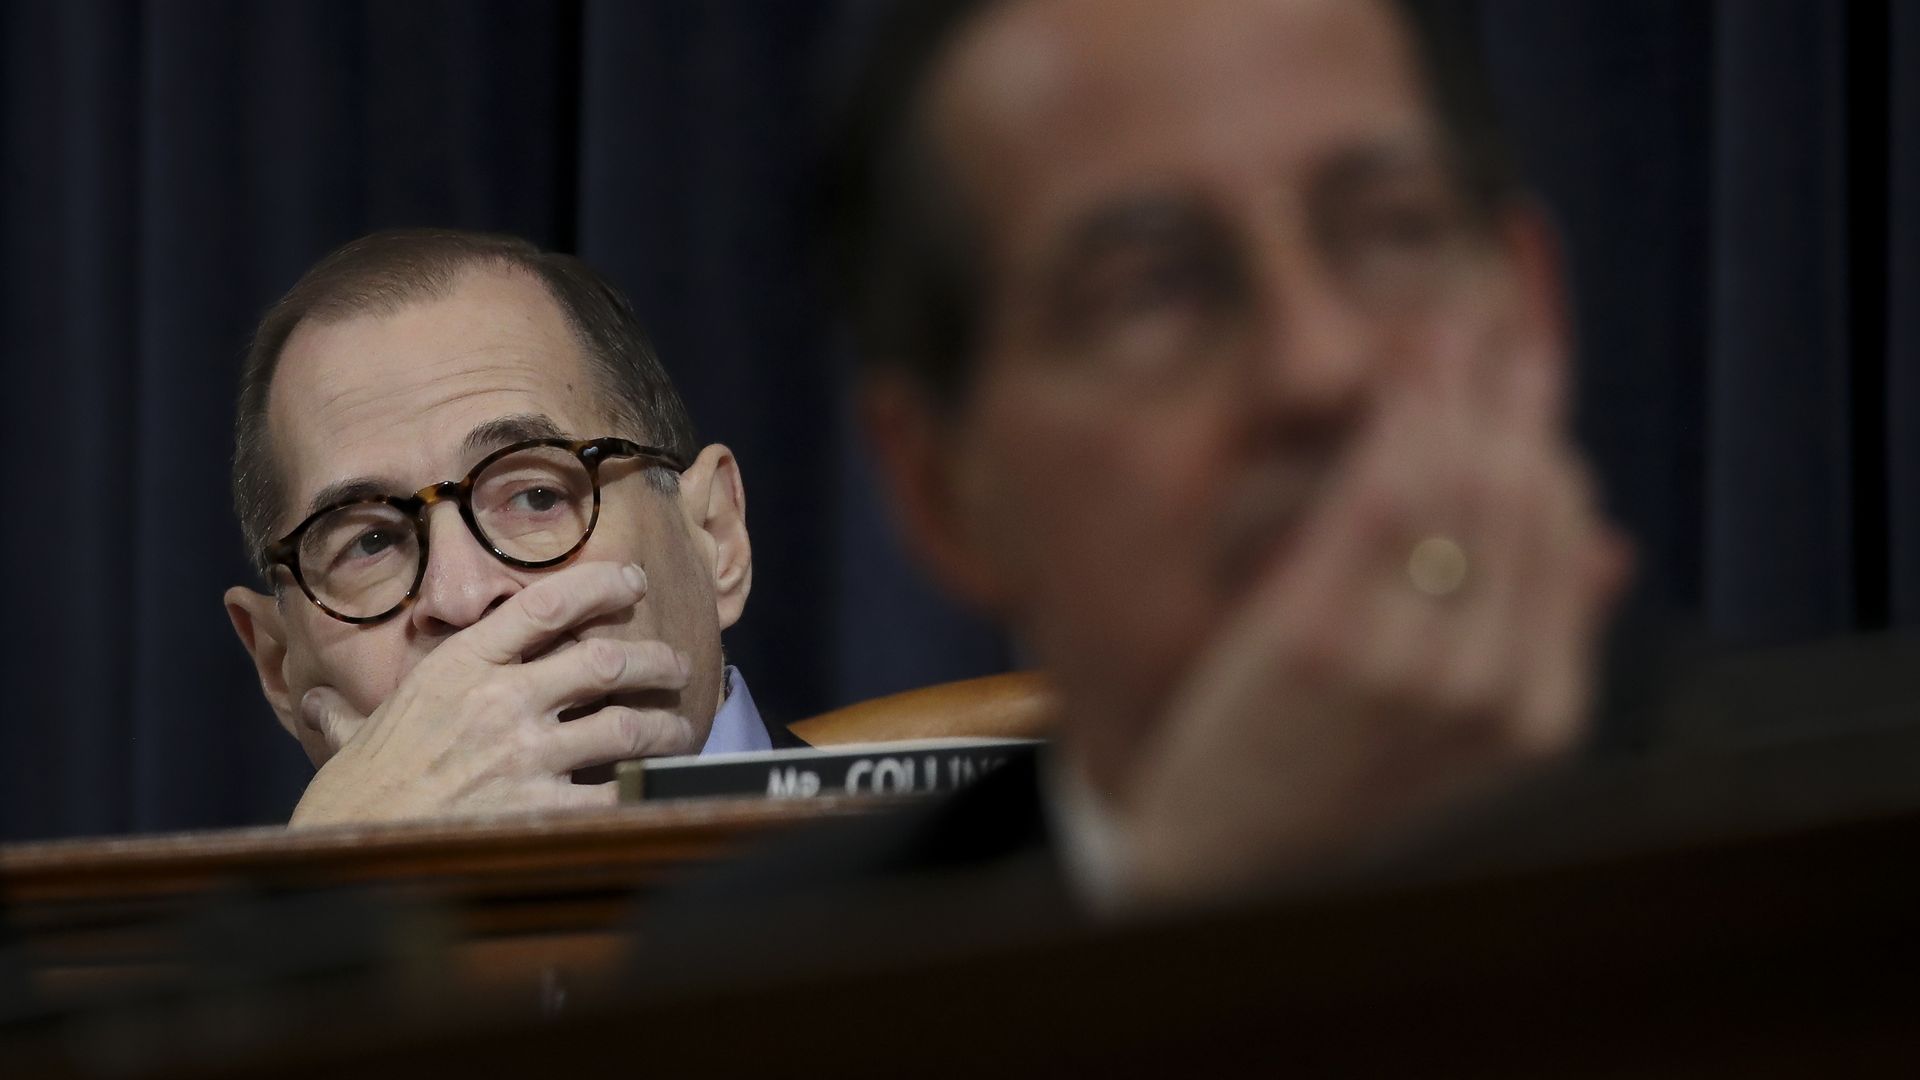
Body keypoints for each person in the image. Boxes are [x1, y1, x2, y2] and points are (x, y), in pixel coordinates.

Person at [816, 0, 1633, 910]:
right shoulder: (769, 986)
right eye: (1153, 291)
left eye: (1395, 231)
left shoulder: (1803, 850)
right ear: (943, 491)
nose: (1318, 368)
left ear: (1534, 317)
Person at [222, 229, 793, 828]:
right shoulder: (291, 916)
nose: (462, 598)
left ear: (716, 538)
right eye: (371, 542)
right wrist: (328, 890)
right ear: (278, 664)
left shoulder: (901, 898)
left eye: (536, 496)